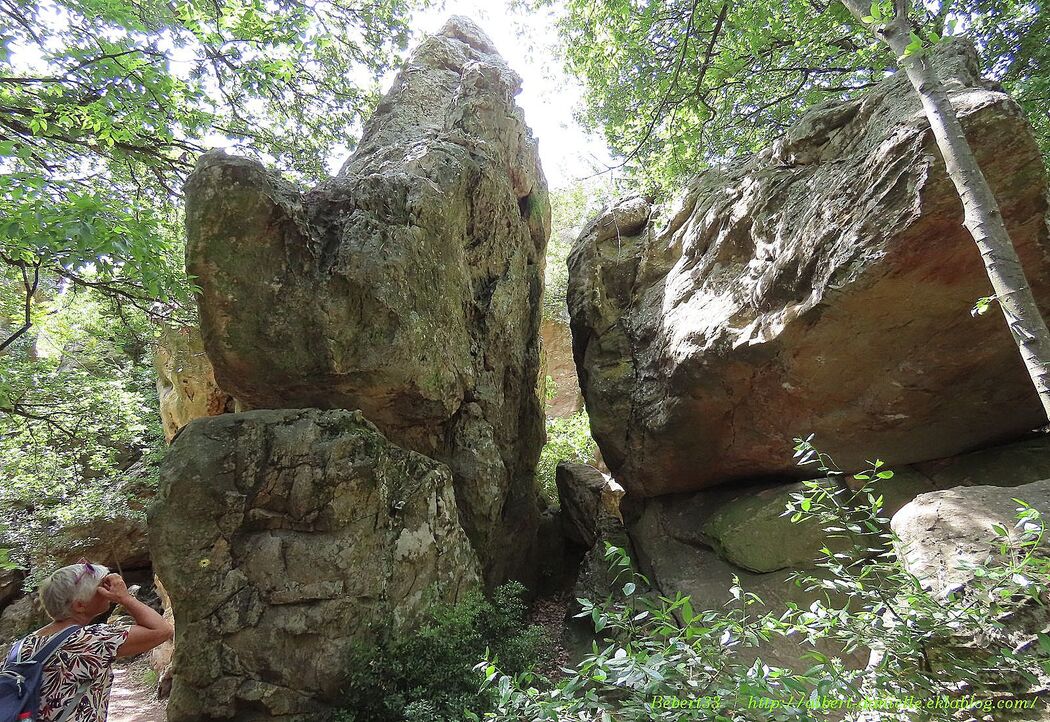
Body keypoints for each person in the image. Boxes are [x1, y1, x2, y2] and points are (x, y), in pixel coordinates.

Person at [5, 559, 174, 722]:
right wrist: (125, 598)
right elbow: (162, 630)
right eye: (100, 587)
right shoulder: (89, 639)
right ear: (80, 605)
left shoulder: (20, 646)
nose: (107, 589)